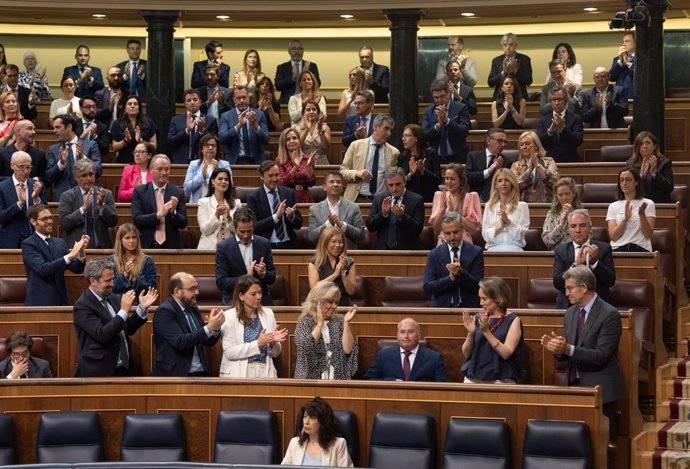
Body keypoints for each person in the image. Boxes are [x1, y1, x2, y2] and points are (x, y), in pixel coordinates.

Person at [541, 265, 624, 420]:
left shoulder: (609, 314)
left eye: (570, 288)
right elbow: (567, 349)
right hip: (573, 387)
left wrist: (567, 349)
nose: (566, 293)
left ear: (584, 287)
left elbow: (601, 355)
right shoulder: (571, 313)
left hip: (600, 389)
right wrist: (558, 348)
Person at [73, 257, 158, 377]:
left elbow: (127, 328)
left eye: (113, 279)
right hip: (98, 373)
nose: (112, 284)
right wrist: (123, 310)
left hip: (122, 368)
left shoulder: (112, 298)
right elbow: (102, 334)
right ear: (93, 281)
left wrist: (141, 309)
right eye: (108, 280)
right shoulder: (82, 306)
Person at [153, 272, 224, 377]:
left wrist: (216, 327)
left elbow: (208, 341)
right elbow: (180, 342)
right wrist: (209, 327)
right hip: (175, 375)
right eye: (192, 289)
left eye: (197, 288)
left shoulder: (193, 309)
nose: (197, 292)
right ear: (177, 291)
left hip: (200, 373)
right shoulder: (165, 311)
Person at [220, 275, 288, 378]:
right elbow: (230, 352)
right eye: (253, 294)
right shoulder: (229, 316)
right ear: (241, 296)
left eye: (260, 292)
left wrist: (273, 343)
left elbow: (275, 353)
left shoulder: (268, 314)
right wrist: (258, 344)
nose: (258, 297)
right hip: (238, 374)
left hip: (265, 373)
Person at [461, 277, 525, 384]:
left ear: (498, 298)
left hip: (501, 379)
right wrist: (470, 333)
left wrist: (486, 332)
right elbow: (466, 353)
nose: (481, 303)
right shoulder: (478, 318)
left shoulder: (513, 320)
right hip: (474, 378)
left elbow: (506, 353)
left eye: (484, 299)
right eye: (480, 298)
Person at [22, 204, 87, 306]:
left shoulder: (59, 242)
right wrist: (71, 255)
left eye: (50, 218)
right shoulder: (28, 244)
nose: (50, 222)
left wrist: (81, 253)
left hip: (62, 300)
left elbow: (77, 269)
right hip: (39, 302)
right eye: (45, 219)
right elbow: (43, 269)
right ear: (33, 221)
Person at [294, 281, 358, 380]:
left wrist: (346, 322)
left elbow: (348, 351)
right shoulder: (304, 322)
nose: (334, 306)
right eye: (330, 302)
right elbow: (306, 348)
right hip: (310, 381)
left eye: (336, 302)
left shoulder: (339, 320)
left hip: (337, 379)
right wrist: (320, 324)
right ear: (317, 301)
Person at [553, 209, 615, 309]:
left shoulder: (604, 249)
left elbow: (610, 281)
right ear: (568, 229)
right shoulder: (561, 250)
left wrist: (595, 262)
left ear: (590, 227)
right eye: (573, 226)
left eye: (582, 226)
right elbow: (557, 283)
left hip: (598, 305)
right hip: (568, 305)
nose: (578, 230)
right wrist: (575, 265)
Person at [216, 206, 277, 305]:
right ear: (235, 228)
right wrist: (245, 278)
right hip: (234, 299)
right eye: (242, 231)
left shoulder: (264, 244)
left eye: (249, 231)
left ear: (254, 227)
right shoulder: (223, 247)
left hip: (260, 299)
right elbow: (221, 282)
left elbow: (272, 277)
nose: (246, 235)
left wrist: (263, 273)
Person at [423, 212, 484, 308]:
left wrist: (461, 273)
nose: (452, 237)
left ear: (462, 229)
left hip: (468, 309)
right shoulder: (434, 254)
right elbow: (428, 287)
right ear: (442, 232)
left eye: (455, 232)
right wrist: (450, 278)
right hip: (441, 309)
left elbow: (478, 286)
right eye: (447, 233)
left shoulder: (475, 252)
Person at [364, 317, 449, 382]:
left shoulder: (434, 358)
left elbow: (443, 386)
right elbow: (369, 380)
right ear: (397, 335)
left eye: (411, 332)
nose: (406, 336)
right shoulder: (383, 355)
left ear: (419, 335)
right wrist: (391, 382)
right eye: (402, 332)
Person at [131, 154, 188, 249]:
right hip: (146, 245)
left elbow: (183, 224)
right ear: (151, 170)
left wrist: (173, 212)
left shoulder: (178, 192)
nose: (164, 172)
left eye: (167, 169)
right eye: (160, 169)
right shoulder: (140, 191)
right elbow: (137, 219)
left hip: (171, 246)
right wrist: (159, 215)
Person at [59, 158, 117, 249]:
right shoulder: (67, 196)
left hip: (101, 248)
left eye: (91, 174)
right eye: (84, 175)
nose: (89, 178)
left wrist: (102, 206)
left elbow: (113, 222)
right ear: (76, 177)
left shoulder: (106, 194)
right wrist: (83, 209)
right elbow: (65, 224)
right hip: (76, 249)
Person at [340, 114, 399, 202]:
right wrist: (358, 174)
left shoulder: (394, 152)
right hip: (357, 198)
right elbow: (343, 171)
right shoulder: (356, 145)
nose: (389, 133)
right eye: (386, 128)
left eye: (391, 130)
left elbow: (395, 178)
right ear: (375, 127)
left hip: (382, 200)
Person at [247, 160, 303, 249]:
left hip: (289, 244)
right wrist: (276, 217)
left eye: (277, 175)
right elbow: (253, 227)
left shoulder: (288, 193)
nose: (274, 179)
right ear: (262, 177)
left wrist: (291, 217)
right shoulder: (254, 198)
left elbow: (299, 225)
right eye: (270, 176)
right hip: (266, 246)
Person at [282, 397, 353, 467]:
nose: (306, 422)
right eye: (305, 416)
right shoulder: (294, 443)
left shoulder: (338, 445)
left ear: (323, 422)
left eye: (312, 418)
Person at [46, 114, 101, 202]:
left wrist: (83, 158)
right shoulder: (53, 149)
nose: (54, 131)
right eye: (54, 128)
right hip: (63, 198)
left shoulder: (90, 145)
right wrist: (61, 164)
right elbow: (49, 177)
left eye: (57, 127)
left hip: (88, 196)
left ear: (69, 127)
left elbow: (98, 170)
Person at [366, 167, 424, 250]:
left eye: (398, 184)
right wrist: (383, 214)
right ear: (386, 184)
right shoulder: (379, 198)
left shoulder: (416, 200)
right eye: (390, 185)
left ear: (405, 182)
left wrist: (402, 216)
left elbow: (418, 229)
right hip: (382, 251)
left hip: (407, 252)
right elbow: (370, 227)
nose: (394, 189)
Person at [308, 171, 365, 249]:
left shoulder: (354, 207)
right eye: (331, 182)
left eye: (338, 182)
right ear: (324, 187)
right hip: (324, 255)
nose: (335, 184)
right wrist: (328, 224)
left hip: (347, 254)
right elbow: (312, 237)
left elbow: (361, 234)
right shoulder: (314, 209)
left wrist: (342, 225)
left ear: (342, 186)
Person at [0, 150, 45, 248]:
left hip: (34, 238)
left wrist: (36, 199)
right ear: (12, 166)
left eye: (28, 168)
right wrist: (19, 204)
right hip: (9, 241)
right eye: (21, 167)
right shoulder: (2, 188)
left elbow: (45, 214)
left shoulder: (37, 186)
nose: (25, 171)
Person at [429, 163, 481, 245]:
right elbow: (436, 227)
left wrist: (455, 214)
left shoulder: (470, 197)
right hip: (444, 239)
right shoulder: (440, 196)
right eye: (446, 178)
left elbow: (473, 228)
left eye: (452, 179)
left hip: (464, 240)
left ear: (461, 180)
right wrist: (443, 208)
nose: (449, 182)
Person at [422, 78, 471, 164]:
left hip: (458, 157)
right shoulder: (428, 111)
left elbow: (464, 131)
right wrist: (438, 126)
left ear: (449, 93)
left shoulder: (461, 108)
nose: (439, 100)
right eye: (436, 97)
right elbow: (424, 135)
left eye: (442, 96)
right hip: (436, 158)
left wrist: (446, 121)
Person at [607, 167, 655, 252]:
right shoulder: (613, 206)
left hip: (641, 248)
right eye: (621, 180)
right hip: (617, 249)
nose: (624, 183)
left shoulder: (648, 203)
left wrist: (642, 215)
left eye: (628, 180)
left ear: (636, 182)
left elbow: (648, 234)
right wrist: (625, 219)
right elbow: (613, 237)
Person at [218, 85, 269, 165]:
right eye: (238, 98)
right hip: (234, 161)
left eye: (244, 97)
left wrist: (255, 126)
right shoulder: (226, 116)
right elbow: (222, 139)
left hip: (256, 161)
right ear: (234, 100)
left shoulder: (259, 115)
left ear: (249, 98)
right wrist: (238, 126)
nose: (241, 100)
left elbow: (266, 140)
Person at [482, 168, 530, 252]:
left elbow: (522, 235)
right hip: (493, 250)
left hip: (515, 249)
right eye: (500, 181)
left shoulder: (522, 206)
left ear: (512, 183)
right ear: (496, 185)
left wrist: (508, 222)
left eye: (507, 180)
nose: (503, 183)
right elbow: (485, 235)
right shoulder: (489, 206)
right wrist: (498, 228)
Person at [308, 227, 357, 306]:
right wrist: (335, 274)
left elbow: (351, 291)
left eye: (340, 242)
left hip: (342, 307)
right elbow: (314, 289)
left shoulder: (349, 262)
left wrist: (343, 272)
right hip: (321, 307)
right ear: (325, 243)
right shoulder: (314, 263)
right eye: (333, 241)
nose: (337, 245)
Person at [167, 88, 217, 164]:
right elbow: (171, 142)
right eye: (189, 100)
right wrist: (187, 130)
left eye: (195, 99)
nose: (192, 102)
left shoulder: (210, 121)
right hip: (181, 162)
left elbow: (215, 142)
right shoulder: (176, 120)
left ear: (200, 102)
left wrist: (202, 130)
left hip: (203, 162)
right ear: (185, 104)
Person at [108, 223, 158, 299]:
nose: (131, 241)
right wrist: (125, 275)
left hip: (140, 303)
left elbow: (151, 288)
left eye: (134, 237)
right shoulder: (111, 260)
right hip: (118, 304)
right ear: (120, 240)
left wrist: (134, 279)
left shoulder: (147, 260)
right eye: (127, 238)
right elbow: (111, 287)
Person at [510, 130, 559, 203]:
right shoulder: (516, 165)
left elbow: (555, 181)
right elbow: (514, 185)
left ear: (536, 146)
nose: (524, 147)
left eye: (527, 144)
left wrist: (538, 166)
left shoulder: (548, 161)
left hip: (547, 203)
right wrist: (529, 170)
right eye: (521, 145)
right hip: (524, 205)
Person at [397, 123, 441, 203]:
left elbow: (438, 179)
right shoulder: (402, 156)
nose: (403, 139)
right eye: (403, 136)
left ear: (416, 138)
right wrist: (410, 174)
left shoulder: (431, 153)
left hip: (428, 198)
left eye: (407, 135)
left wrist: (423, 171)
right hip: (409, 200)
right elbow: (398, 182)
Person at [197, 167, 241, 249]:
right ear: (213, 182)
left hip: (231, 248)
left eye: (226, 179)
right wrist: (216, 215)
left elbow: (239, 231)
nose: (224, 182)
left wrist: (229, 218)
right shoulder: (203, 203)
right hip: (209, 249)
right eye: (220, 179)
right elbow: (205, 230)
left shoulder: (236, 203)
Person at [466, 127, 513, 203]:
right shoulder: (473, 156)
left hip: (497, 202)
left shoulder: (507, 162)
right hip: (475, 201)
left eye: (505, 142)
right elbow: (468, 177)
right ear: (488, 140)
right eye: (500, 141)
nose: (503, 145)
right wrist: (488, 171)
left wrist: (499, 172)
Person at [537, 87, 583, 163]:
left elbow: (578, 141)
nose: (557, 103)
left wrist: (563, 128)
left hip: (571, 162)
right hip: (549, 163)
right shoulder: (543, 120)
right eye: (554, 100)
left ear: (565, 101)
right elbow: (539, 142)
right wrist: (550, 132)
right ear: (550, 102)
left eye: (559, 99)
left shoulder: (576, 118)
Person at [626, 131, 673, 203]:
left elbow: (669, 187)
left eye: (648, 143)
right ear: (637, 147)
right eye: (641, 144)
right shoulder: (631, 164)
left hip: (658, 205)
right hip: (637, 204)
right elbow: (627, 187)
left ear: (654, 146)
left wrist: (655, 173)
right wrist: (640, 177)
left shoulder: (664, 163)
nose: (644, 146)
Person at [183, 133, 231, 203]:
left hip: (218, 204)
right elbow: (186, 188)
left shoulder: (225, 165)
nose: (210, 148)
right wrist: (201, 176)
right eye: (207, 145)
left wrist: (218, 172)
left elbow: (230, 185)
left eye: (213, 145)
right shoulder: (194, 164)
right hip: (198, 204)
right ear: (201, 149)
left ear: (217, 149)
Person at [110, 94, 157, 164]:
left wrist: (140, 141)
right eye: (129, 104)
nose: (132, 106)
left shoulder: (149, 122)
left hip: (144, 162)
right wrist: (125, 141)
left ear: (139, 107)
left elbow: (154, 146)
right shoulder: (117, 123)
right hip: (124, 162)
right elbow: (114, 148)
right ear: (125, 107)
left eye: (135, 104)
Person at [0, 119, 48, 186]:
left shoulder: (39, 155)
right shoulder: (2, 153)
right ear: (18, 131)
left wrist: (38, 179)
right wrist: (17, 180)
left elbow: (46, 180)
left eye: (34, 129)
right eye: (29, 129)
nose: (34, 132)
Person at [487, 33, 532, 100]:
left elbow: (529, 81)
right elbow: (490, 83)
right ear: (502, 46)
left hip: (520, 99)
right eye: (505, 45)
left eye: (511, 45)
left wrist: (515, 71)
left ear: (515, 45)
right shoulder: (496, 61)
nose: (508, 48)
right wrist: (503, 72)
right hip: (500, 99)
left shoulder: (524, 59)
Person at [541, 177, 583, 250]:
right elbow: (547, 241)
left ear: (574, 194)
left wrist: (572, 217)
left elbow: (586, 238)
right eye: (560, 195)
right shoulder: (552, 214)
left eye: (567, 194)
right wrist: (560, 225)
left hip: (577, 253)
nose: (564, 198)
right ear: (556, 196)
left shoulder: (582, 213)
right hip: (556, 254)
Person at [276, 127, 316, 203]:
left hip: (305, 197)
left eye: (294, 138)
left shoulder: (307, 159)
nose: (292, 141)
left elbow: (312, 182)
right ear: (283, 143)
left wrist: (310, 166)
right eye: (288, 139)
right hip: (287, 197)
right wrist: (295, 168)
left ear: (299, 140)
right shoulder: (280, 160)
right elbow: (281, 183)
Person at [275, 39, 321, 104]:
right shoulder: (282, 67)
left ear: (303, 51)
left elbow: (318, 84)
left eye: (299, 49)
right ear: (289, 51)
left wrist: (307, 74)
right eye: (294, 49)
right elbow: (278, 86)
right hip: (287, 102)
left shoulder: (311, 66)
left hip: (308, 101)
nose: (297, 51)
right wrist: (293, 78)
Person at [294, 100, 330, 166]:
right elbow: (296, 147)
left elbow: (326, 147)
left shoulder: (325, 127)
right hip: (304, 163)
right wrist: (306, 129)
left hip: (321, 163)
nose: (311, 112)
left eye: (314, 109)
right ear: (303, 113)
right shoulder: (297, 128)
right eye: (308, 110)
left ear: (318, 113)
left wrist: (320, 130)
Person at [609, 32, 635, 99]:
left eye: (627, 41)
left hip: (634, 97)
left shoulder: (642, 59)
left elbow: (640, 76)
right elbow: (611, 77)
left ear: (636, 43)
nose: (623, 44)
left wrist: (627, 63)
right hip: (619, 97)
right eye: (623, 42)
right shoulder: (617, 59)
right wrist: (620, 61)